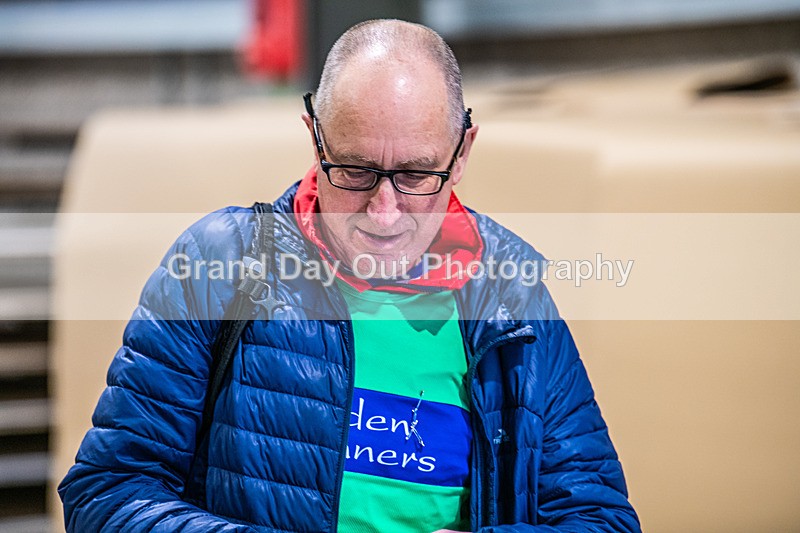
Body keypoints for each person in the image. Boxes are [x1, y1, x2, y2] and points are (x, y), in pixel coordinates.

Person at [59, 19, 640, 532]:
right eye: (355, 171)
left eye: (416, 175)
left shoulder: (512, 297)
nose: (383, 213)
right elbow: (106, 494)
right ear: (314, 136)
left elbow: (602, 520)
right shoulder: (220, 267)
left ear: (461, 153)